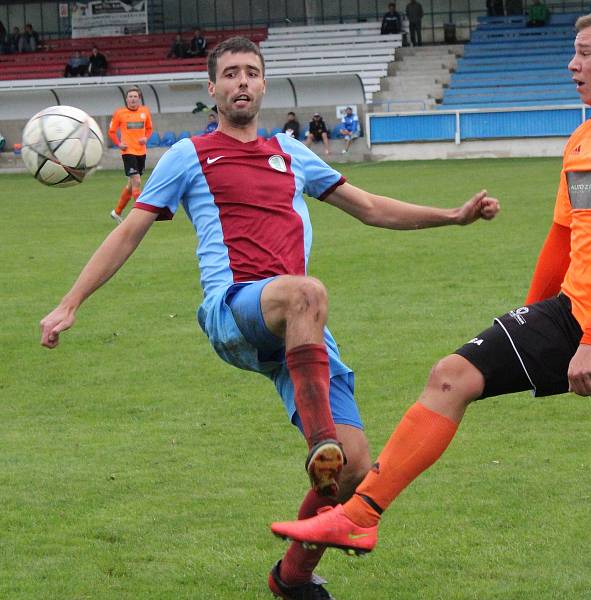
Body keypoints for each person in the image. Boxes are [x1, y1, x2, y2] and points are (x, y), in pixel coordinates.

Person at [271, 9, 591, 599]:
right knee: (453, 375)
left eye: (584, 53)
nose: (572, 65)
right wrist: (524, 328)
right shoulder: (585, 139)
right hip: (573, 313)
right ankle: (362, 514)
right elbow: (564, 237)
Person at [39, 36, 499, 600]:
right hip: (235, 309)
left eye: (250, 73)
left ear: (262, 85)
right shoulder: (188, 155)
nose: (240, 82)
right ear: (212, 89)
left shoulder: (291, 152)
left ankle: (293, 576)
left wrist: (453, 216)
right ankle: (318, 442)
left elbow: (373, 208)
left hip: (299, 327)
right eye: (229, 74)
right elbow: (130, 230)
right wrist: (69, 303)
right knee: (306, 293)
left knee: (355, 468)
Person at [107, 87, 154, 224]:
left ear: (139, 99)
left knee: (131, 184)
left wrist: (146, 138)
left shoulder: (145, 112)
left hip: (141, 152)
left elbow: (149, 128)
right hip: (128, 152)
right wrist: (119, 144)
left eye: (135, 96)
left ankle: (116, 212)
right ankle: (140, 216)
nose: (133, 99)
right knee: (137, 181)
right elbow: (112, 131)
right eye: (130, 97)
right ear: (126, 99)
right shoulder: (120, 113)